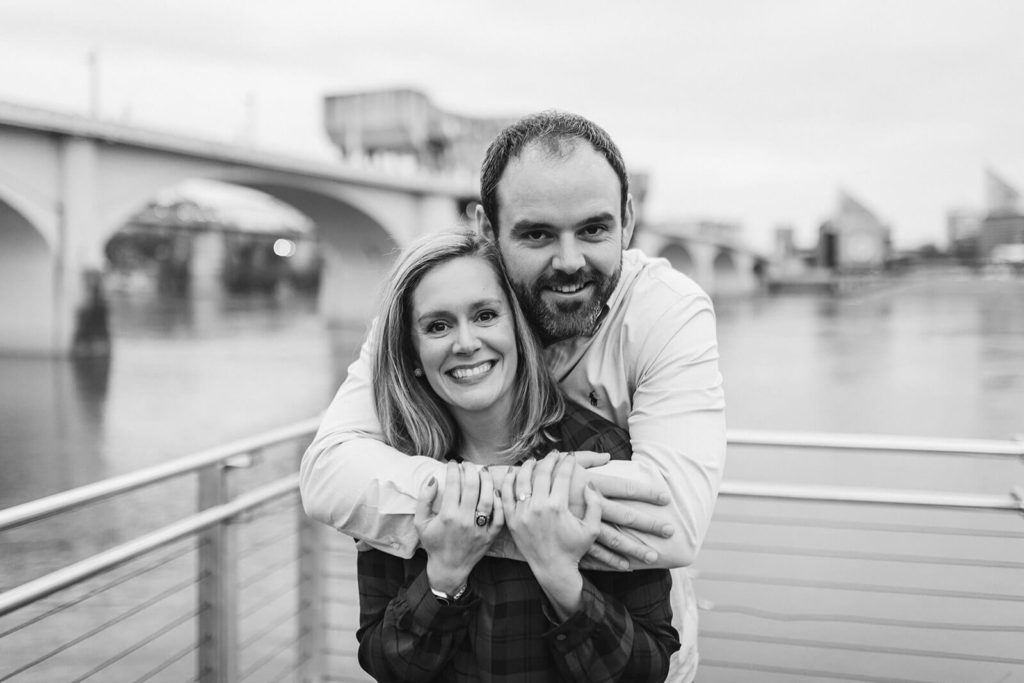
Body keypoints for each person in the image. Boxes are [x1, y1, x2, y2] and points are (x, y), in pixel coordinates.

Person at [301, 110, 726, 682]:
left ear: (628, 220)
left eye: (595, 230)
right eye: (536, 234)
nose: (570, 260)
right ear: (487, 228)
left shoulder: (665, 313)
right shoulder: (435, 304)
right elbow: (329, 473)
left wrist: (473, 516)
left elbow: (671, 521)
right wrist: (494, 507)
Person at [356, 230, 679, 681]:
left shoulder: (600, 452)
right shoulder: (392, 467)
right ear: (412, 354)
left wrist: (560, 576)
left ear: (518, 327)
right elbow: (381, 660)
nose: (465, 343)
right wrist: (444, 577)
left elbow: (648, 667)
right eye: (438, 326)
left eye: (485, 315)